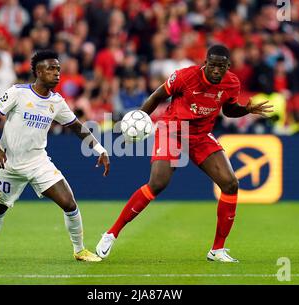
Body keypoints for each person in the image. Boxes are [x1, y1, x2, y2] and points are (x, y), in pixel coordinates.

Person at [96, 45, 272, 263]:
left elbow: (228, 110)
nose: (217, 70)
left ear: (228, 66)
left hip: (200, 135)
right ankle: (111, 234)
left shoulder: (232, 82)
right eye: (213, 65)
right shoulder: (185, 76)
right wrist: (139, 118)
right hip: (172, 130)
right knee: (157, 183)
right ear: (205, 63)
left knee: (230, 183)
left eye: (222, 67)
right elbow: (157, 96)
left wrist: (246, 109)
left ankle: (217, 250)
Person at [0, 50, 110, 262]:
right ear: (38, 72)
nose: (57, 73)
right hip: (9, 163)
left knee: (69, 203)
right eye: (51, 68)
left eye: (58, 69)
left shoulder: (56, 102)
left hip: (38, 162)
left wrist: (100, 150)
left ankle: (79, 250)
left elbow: (77, 127)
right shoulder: (18, 92)